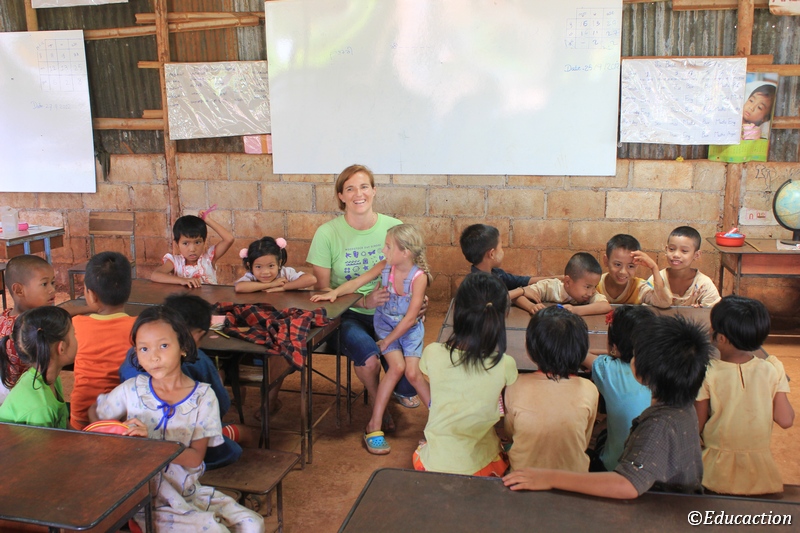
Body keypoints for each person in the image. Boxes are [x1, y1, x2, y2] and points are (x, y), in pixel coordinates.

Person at [91, 306, 264, 533]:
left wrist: (151, 444)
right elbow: (95, 415)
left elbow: (194, 458)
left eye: (163, 346)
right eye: (144, 348)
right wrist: (119, 430)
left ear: (183, 347)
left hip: (187, 491)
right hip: (145, 500)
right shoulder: (131, 390)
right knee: (215, 530)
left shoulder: (203, 397)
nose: (153, 356)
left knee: (253, 524)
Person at [503, 315, 711, 498]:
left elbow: (627, 484)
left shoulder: (659, 426)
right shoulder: (683, 408)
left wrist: (549, 478)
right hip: (676, 500)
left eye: (635, 354)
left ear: (644, 374)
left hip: (662, 511)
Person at [306, 164, 420, 417]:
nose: (358, 194)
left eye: (364, 186)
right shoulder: (327, 233)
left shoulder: (394, 228)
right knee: (369, 359)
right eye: (350, 189)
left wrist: (417, 302)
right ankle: (379, 405)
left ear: (374, 190)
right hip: (347, 315)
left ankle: (396, 388)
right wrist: (363, 301)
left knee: (408, 382)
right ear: (341, 195)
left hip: (390, 314)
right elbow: (323, 289)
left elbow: (412, 276)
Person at [313, 224, 432, 454]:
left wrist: (387, 342)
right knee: (396, 368)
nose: (383, 250)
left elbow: (410, 319)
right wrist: (334, 292)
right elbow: (357, 283)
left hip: (408, 330)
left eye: (388, 247)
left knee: (413, 374)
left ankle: (442, 422)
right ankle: (373, 426)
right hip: (386, 325)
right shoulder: (386, 265)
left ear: (405, 252)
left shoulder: (419, 278)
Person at [120, 294, 248, 470]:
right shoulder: (199, 360)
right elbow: (222, 406)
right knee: (240, 440)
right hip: (181, 451)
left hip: (137, 442)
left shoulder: (135, 355)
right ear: (198, 335)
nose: (155, 357)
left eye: (164, 346)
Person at [413, 272, 518, 476]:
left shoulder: (432, 353)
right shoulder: (506, 364)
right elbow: (510, 421)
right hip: (481, 467)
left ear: (456, 311)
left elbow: (426, 381)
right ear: (502, 317)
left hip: (433, 464)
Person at [695, 296, 794, 495]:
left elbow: (696, 425)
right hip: (760, 476)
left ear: (720, 338)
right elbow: (785, 419)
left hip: (714, 473)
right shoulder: (772, 369)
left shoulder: (707, 372)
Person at [504, 306, 598, 472]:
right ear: (581, 349)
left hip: (523, 479)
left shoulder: (514, 386)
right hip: (575, 480)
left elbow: (510, 433)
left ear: (529, 349)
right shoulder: (589, 389)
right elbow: (584, 438)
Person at [69, 252, 136, 430]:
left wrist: (86, 308)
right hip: (121, 417)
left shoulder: (77, 325)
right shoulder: (138, 328)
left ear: (91, 295)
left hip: (81, 415)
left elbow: (59, 316)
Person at [584, 305, 655, 472]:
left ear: (614, 346)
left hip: (615, 468)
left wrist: (609, 354)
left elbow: (578, 353)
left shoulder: (608, 369)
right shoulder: (666, 368)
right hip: (655, 471)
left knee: (600, 434)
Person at [0, 307, 75, 428]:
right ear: (61, 348)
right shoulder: (41, 408)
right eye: (74, 334)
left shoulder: (49, 377)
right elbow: (45, 441)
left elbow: (65, 426)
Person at [0, 254, 56, 404]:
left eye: (53, 282)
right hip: (22, 400)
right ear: (19, 290)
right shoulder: (32, 326)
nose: (52, 289)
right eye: (44, 284)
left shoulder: (5, 316)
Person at [459, 223, 547, 312]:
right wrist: (521, 290)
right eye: (501, 247)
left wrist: (553, 278)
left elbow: (520, 281)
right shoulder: (474, 283)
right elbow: (493, 299)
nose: (503, 251)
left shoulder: (497, 274)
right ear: (492, 254)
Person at [151, 210, 234, 287]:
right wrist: (182, 280)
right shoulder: (175, 262)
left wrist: (207, 220)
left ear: (204, 241)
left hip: (209, 299)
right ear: (177, 244)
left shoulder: (209, 258)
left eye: (197, 242)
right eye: (185, 243)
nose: (192, 249)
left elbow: (229, 239)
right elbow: (155, 275)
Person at [647, 226, 721, 308]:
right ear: (666, 249)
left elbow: (716, 312)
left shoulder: (704, 285)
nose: (676, 255)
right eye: (671, 249)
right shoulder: (656, 279)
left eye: (684, 251)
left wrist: (700, 311)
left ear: (696, 255)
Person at [520, 252, 612, 316]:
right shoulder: (549, 287)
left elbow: (605, 306)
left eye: (595, 286)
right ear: (567, 282)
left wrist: (575, 310)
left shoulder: (589, 295)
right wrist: (531, 306)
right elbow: (520, 295)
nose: (591, 292)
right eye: (587, 287)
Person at [597, 234, 670, 307]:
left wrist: (654, 267)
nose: (623, 272)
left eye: (630, 266)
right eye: (617, 264)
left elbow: (663, 303)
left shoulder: (639, 288)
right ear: (606, 261)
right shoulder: (595, 284)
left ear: (637, 265)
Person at [235, 236, 316, 293]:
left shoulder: (285, 273)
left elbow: (311, 279)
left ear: (279, 263)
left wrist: (284, 287)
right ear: (250, 266)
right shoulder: (251, 276)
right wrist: (271, 284)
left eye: (271, 266)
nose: (265, 272)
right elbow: (239, 287)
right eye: (258, 266)